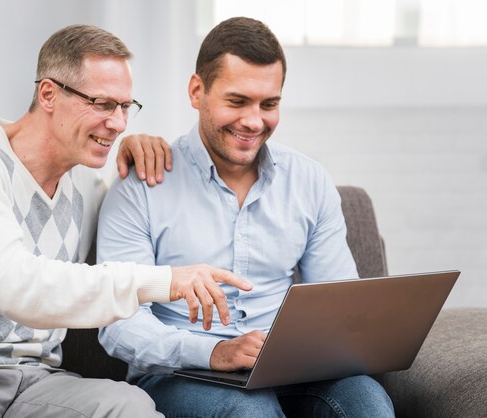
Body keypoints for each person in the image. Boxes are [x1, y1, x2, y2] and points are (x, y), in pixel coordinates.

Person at [0, 24, 252, 418]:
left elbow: (140, 226)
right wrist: (165, 280)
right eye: (102, 104)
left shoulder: (87, 185)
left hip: (30, 380)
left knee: (128, 406)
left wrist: (141, 152)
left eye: (125, 107)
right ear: (48, 94)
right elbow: (16, 285)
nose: (118, 124)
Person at [98, 17, 395, 417]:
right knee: (246, 411)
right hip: (183, 374)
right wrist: (215, 351)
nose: (254, 121)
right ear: (197, 91)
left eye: (269, 104)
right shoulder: (141, 185)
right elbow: (120, 322)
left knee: (367, 401)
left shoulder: (308, 180)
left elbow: (340, 305)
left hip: (289, 370)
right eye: (237, 101)